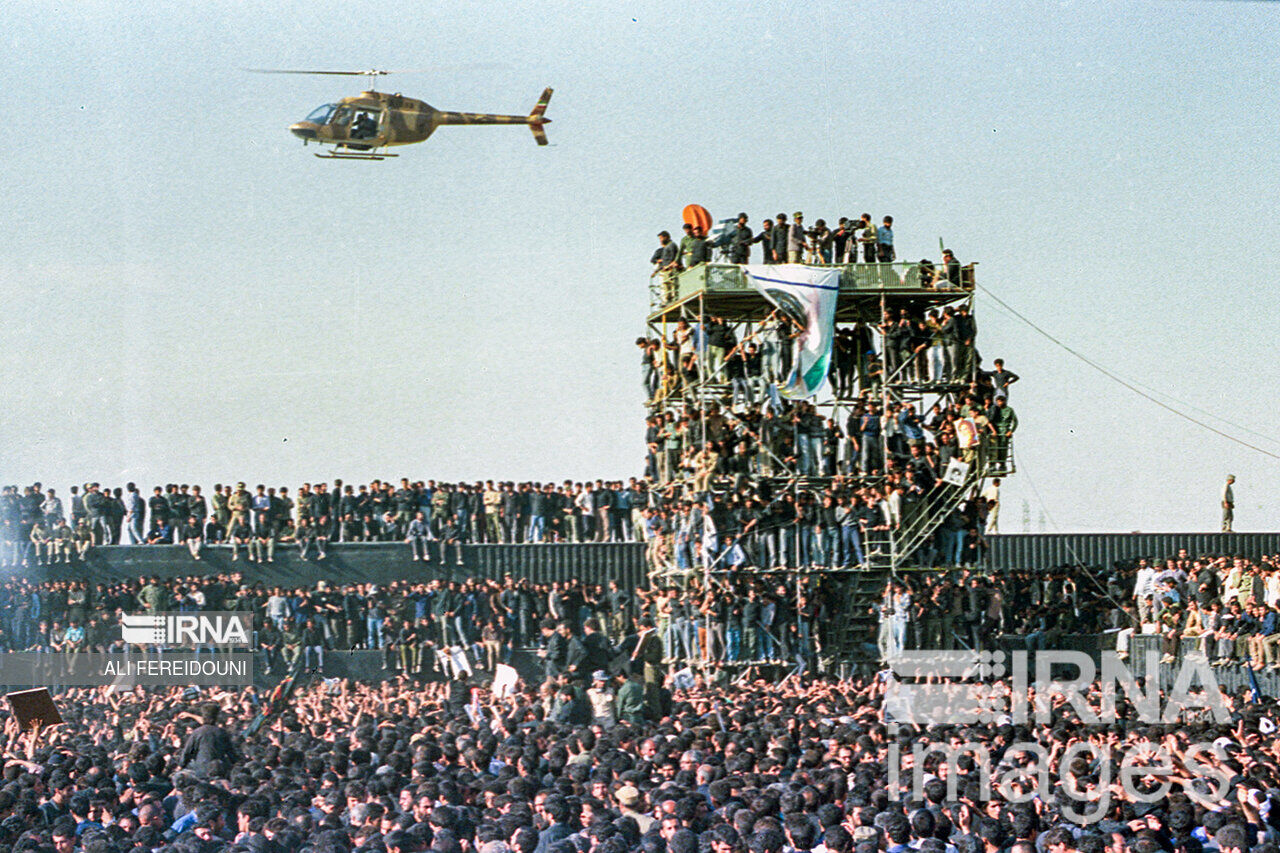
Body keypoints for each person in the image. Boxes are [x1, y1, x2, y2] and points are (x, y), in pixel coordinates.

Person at [178, 704, 237, 776]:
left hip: (201, 769)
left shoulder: (197, 732)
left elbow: (187, 751)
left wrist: (181, 765)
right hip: (219, 768)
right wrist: (236, 762)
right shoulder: (222, 732)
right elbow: (230, 752)